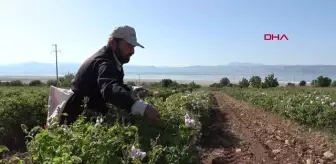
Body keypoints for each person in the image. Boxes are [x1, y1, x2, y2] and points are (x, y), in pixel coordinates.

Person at [59, 25, 161, 125]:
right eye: (129, 46)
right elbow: (110, 89)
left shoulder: (113, 60)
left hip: (88, 114)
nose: (133, 51)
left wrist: (131, 89)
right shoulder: (103, 62)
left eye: (133, 47)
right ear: (113, 43)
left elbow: (112, 83)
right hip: (75, 118)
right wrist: (141, 107)